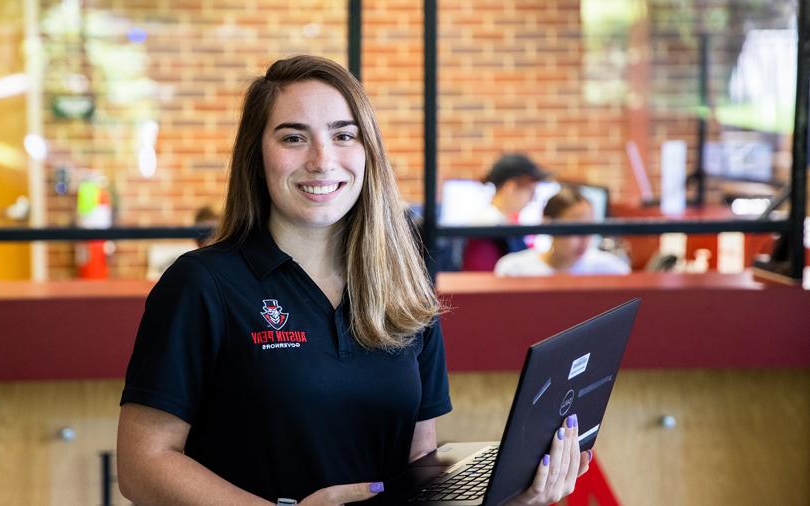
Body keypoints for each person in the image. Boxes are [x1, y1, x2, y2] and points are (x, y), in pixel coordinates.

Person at [117, 55, 590, 506]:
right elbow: (142, 465)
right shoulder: (202, 285)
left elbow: (416, 467)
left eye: (344, 136)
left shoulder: (402, 289)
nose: (323, 160)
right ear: (256, 154)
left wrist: (517, 495)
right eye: (293, 138)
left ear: (368, 152)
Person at [494, 185, 631, 276]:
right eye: (576, 229)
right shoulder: (514, 270)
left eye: (590, 228)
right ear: (548, 224)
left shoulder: (610, 270)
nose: (584, 239)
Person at [462, 153, 551, 271]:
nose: (532, 198)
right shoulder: (489, 226)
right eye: (530, 191)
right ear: (511, 187)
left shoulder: (500, 223)